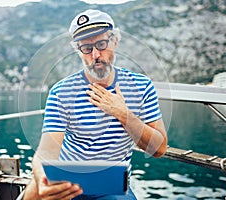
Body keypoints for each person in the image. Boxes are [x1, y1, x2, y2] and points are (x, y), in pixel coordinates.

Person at [23, 9, 168, 200]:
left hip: (110, 187)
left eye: (101, 44)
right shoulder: (61, 92)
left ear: (115, 41)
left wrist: (123, 114)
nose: (96, 54)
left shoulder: (141, 86)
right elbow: (46, 151)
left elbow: (159, 148)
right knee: (33, 192)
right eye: (86, 48)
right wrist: (42, 177)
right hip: (68, 181)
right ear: (78, 50)